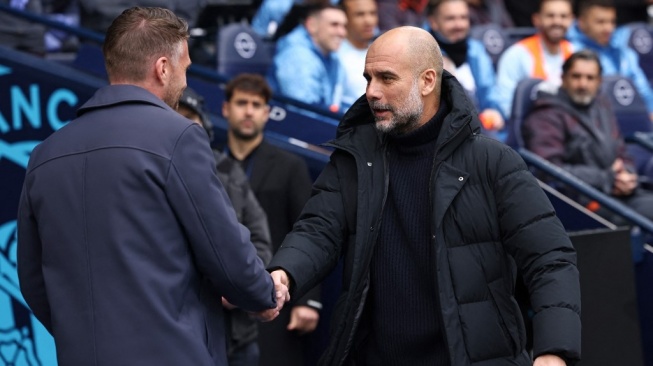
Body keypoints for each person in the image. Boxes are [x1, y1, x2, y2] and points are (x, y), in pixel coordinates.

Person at [268, 26, 581, 366]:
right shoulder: (355, 157)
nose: (372, 92)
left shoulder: (491, 161)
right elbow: (318, 229)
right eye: (368, 78)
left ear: (428, 80)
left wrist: (553, 351)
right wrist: (284, 273)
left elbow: (549, 258)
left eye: (387, 78)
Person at [16, 7, 287, 366]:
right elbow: (224, 249)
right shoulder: (179, 137)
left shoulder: (44, 154)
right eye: (185, 68)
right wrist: (265, 293)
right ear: (162, 68)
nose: (186, 81)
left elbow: (33, 278)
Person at [219, 73, 319, 366]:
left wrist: (307, 300)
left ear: (267, 112)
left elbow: (308, 231)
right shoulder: (206, 161)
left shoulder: (290, 166)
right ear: (226, 109)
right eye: (241, 103)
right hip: (220, 300)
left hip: (274, 296)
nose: (248, 111)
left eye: (256, 104)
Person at [177, 87, 274, 366]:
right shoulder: (152, 170)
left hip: (238, 336)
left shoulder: (229, 171)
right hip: (181, 334)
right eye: (176, 115)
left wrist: (238, 288)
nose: (183, 123)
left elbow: (260, 242)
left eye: (189, 117)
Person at [522, 49, 653, 225]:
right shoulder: (546, 113)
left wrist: (626, 174)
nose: (583, 84)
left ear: (599, 82)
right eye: (576, 76)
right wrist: (606, 178)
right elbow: (549, 171)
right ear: (563, 78)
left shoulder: (601, 107)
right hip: (580, 200)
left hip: (614, 193)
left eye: (590, 78)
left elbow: (621, 152)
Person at [427, 0, 506, 137]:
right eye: (450, 18)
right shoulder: (423, 53)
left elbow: (490, 92)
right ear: (433, 22)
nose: (459, 25)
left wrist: (494, 111)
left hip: (482, 132)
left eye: (463, 18)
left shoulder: (476, 49)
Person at [566, 0, 653, 121]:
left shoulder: (624, 53)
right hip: (592, 121)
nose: (608, 28)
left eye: (612, 22)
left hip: (632, 120)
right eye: (600, 22)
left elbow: (644, 91)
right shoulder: (570, 50)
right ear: (582, 23)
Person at [496, 0, 575, 119]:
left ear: (571, 20)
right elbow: (505, 105)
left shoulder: (575, 53)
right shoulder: (516, 55)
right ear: (536, 19)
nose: (557, 21)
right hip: (532, 127)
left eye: (563, 16)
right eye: (550, 16)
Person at [267, 4, 348, 113]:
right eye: (334, 25)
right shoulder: (297, 57)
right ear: (312, 25)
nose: (342, 33)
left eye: (344, 26)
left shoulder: (331, 56)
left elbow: (334, 103)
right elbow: (305, 113)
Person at [337, 0, 378, 107]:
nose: (369, 21)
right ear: (344, 17)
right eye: (360, 14)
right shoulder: (335, 55)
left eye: (372, 13)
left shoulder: (382, 52)